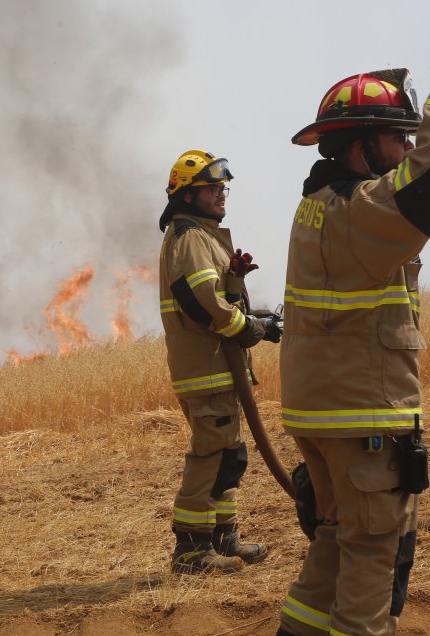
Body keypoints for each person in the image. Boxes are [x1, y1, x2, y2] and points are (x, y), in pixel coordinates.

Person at [276, 48, 430, 635]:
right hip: (362, 421)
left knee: (336, 550)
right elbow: (429, 187)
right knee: (371, 565)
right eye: (397, 137)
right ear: (361, 145)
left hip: (326, 417)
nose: (408, 148)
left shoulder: (316, 207)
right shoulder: (357, 211)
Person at [157, 149, 282, 574]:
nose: (220, 194)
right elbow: (201, 303)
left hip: (218, 368)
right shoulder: (189, 237)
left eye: (221, 187)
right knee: (210, 456)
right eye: (211, 188)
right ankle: (190, 551)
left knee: (230, 455)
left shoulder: (203, 235)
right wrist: (250, 328)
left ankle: (223, 538)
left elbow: (218, 296)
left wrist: (247, 301)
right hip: (205, 369)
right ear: (188, 196)